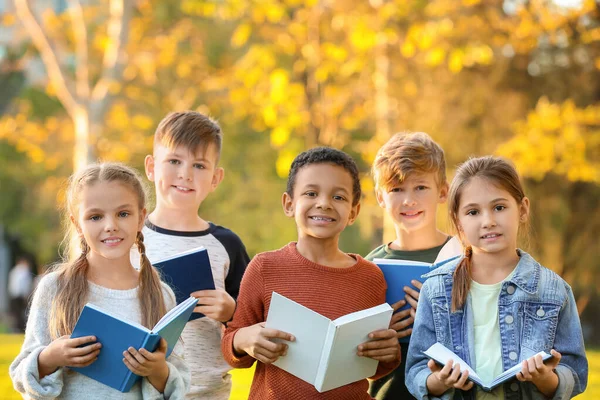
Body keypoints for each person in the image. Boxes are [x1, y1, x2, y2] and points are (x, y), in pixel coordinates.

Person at [221, 147, 401, 399]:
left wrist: (389, 353)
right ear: (289, 204)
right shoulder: (265, 268)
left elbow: (374, 368)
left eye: (338, 197)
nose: (324, 203)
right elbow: (232, 344)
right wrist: (243, 339)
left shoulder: (369, 278)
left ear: (353, 211)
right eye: (311, 193)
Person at [406, 156, 588, 400]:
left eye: (499, 208)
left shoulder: (553, 290)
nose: (488, 221)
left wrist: (545, 378)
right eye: (473, 212)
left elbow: (575, 374)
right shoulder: (436, 288)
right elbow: (417, 371)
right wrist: (439, 381)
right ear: (459, 222)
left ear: (522, 209)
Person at [10, 162, 190, 399]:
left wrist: (157, 370)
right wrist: (50, 358)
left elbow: (179, 381)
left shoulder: (161, 294)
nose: (110, 226)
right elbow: (23, 376)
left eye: (123, 214)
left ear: (140, 218)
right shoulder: (54, 288)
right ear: (77, 224)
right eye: (95, 217)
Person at [135, 111, 249, 399]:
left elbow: (253, 320)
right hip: (140, 388)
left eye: (199, 165)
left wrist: (231, 311)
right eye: (174, 161)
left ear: (215, 178)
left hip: (207, 392)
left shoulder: (227, 245)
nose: (185, 174)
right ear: (151, 167)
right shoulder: (128, 238)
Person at [366, 132, 462, 400]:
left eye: (420, 187)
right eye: (396, 189)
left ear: (443, 191)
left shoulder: (465, 259)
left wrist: (438, 320)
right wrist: (380, 334)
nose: (409, 200)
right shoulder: (369, 266)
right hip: (389, 392)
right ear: (380, 197)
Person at [8, 255, 34, 332]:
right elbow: (25, 284)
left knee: (16, 313)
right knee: (22, 312)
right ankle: (20, 328)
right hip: (21, 295)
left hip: (14, 295)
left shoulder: (14, 271)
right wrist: (26, 294)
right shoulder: (24, 271)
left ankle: (16, 328)